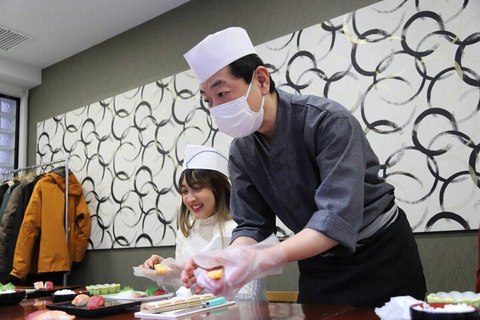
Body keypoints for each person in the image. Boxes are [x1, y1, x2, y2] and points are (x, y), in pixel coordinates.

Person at [181, 27, 427, 307]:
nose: (216, 108)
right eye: (208, 100)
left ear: (261, 80)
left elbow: (336, 216)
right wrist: (227, 260)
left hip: (380, 255)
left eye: (222, 93)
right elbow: (252, 225)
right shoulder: (241, 151)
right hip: (318, 265)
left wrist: (262, 258)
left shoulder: (327, 121)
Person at [139, 144, 266, 302]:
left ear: (218, 189)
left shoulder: (244, 231)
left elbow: (249, 296)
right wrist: (164, 273)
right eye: (185, 191)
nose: (190, 199)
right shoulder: (185, 233)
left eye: (197, 188)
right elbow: (182, 292)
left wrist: (196, 279)